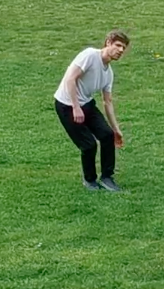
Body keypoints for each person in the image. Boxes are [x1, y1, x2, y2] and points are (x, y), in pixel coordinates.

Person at [54, 30, 130, 192]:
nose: (120, 50)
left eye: (123, 48)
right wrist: (76, 107)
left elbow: (107, 102)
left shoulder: (108, 74)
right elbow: (70, 79)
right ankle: (90, 180)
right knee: (88, 145)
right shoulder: (90, 55)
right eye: (118, 45)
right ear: (108, 42)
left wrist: (116, 129)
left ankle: (107, 177)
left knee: (107, 135)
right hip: (67, 104)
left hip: (86, 104)